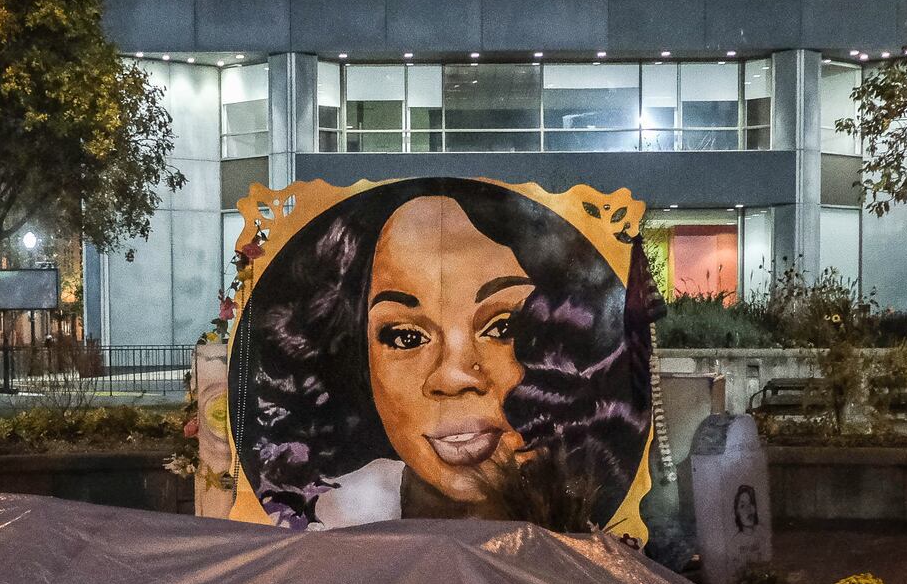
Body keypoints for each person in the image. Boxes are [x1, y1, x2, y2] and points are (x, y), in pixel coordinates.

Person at [230, 177, 651, 529]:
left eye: (503, 327)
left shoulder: (588, 528)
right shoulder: (338, 518)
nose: (454, 376)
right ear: (358, 359)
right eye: (406, 337)